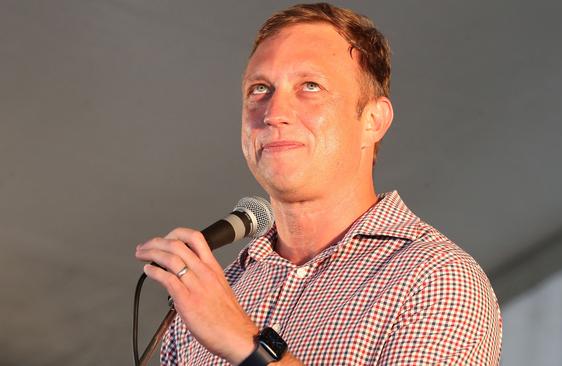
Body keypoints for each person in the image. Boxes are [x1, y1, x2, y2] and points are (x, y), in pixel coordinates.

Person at [135, 3, 502, 365]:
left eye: (310, 86)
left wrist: (247, 345)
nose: (275, 113)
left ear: (373, 120)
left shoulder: (435, 279)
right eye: (260, 89)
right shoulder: (214, 294)